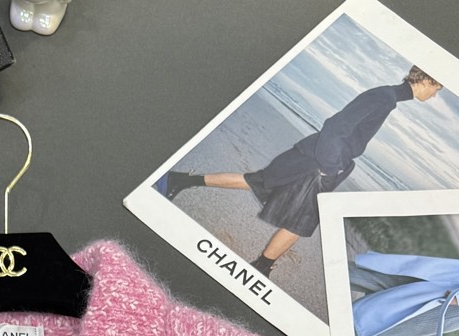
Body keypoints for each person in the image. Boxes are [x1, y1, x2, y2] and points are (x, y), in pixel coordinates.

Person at [160, 65, 443, 277]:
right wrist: (329, 169)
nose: (434, 95)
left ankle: (179, 180)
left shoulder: (388, 97)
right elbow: (335, 127)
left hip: (315, 157)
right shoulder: (384, 97)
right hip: (319, 164)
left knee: (257, 181)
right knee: (301, 222)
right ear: (427, 80)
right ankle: (262, 266)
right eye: (437, 89)